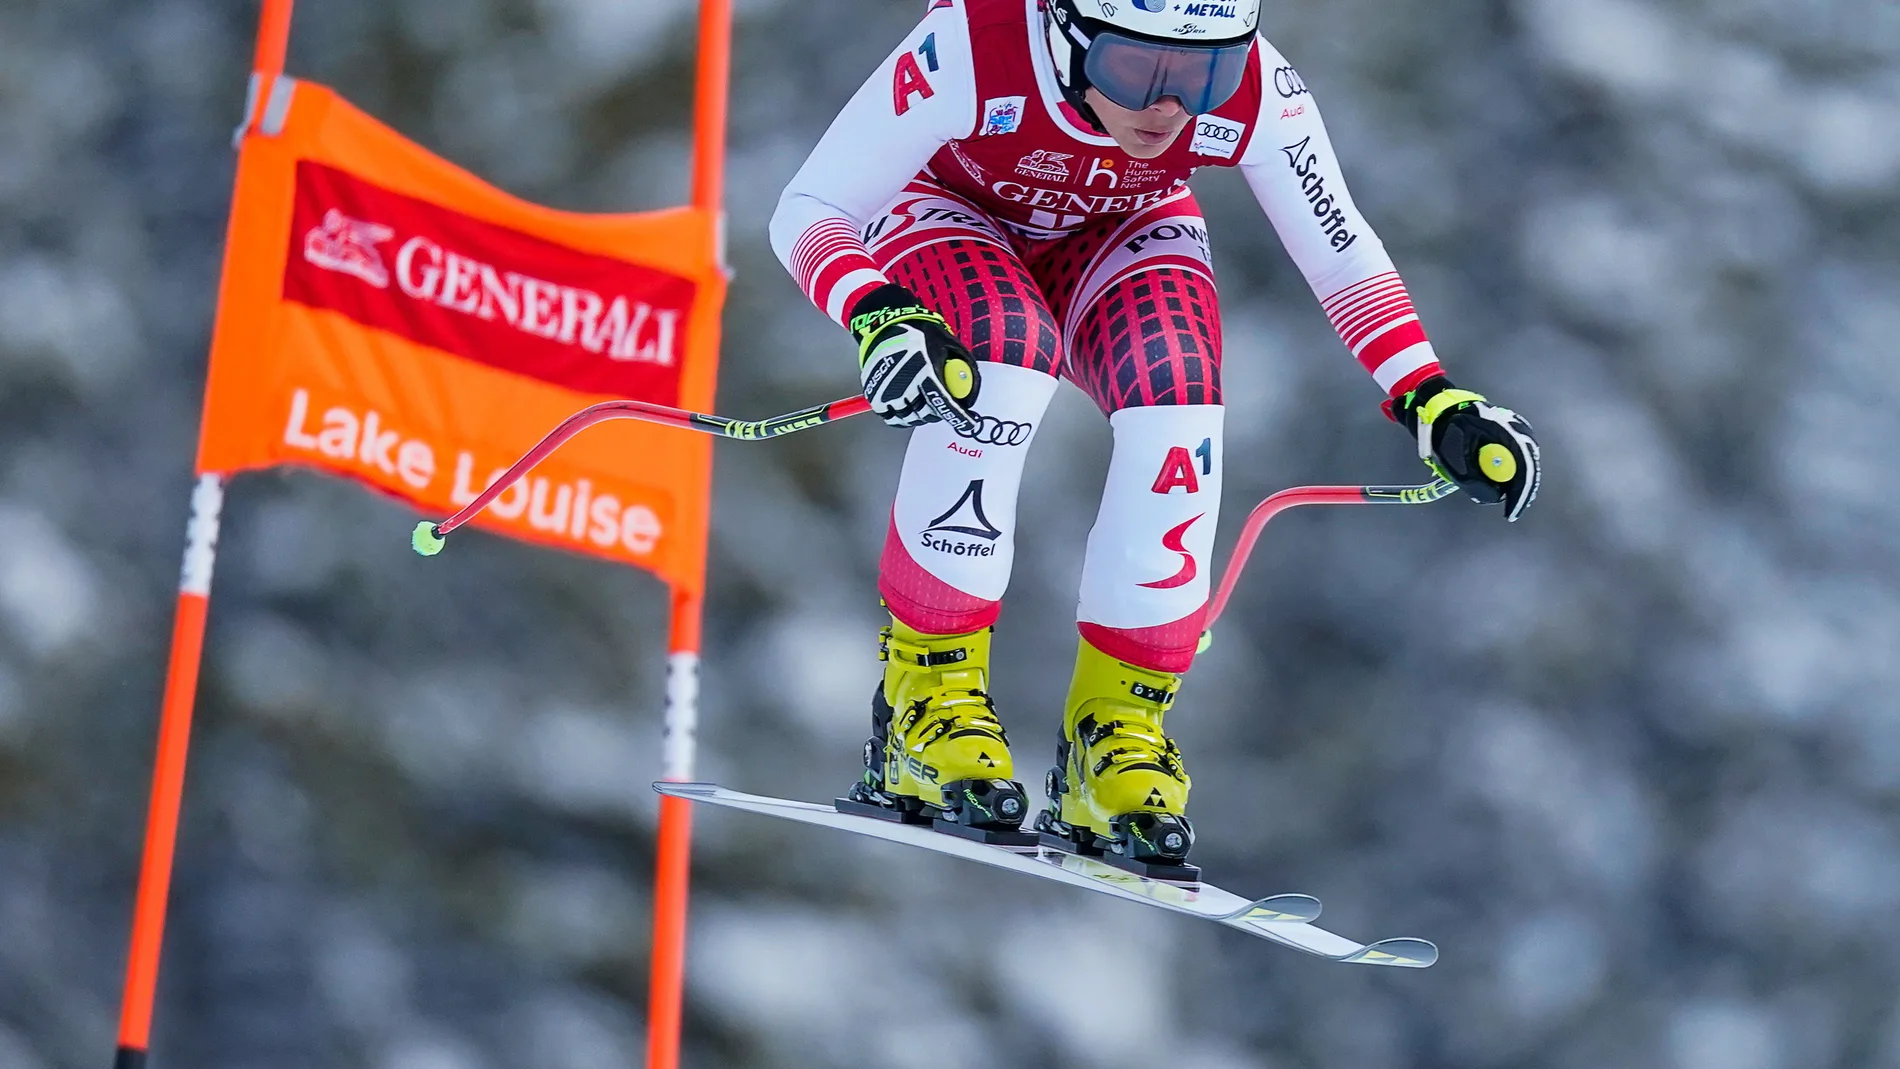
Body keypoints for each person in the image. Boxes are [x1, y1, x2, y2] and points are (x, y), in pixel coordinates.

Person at [768, 0, 1540, 876]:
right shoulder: (978, 45)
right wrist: (877, 312)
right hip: (947, 209)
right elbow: (808, 207)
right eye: (1136, 70)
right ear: (1067, 32)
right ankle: (928, 702)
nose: (1170, 107)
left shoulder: (1257, 90)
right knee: (1003, 359)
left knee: (1181, 391)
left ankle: (1118, 734)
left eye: (1201, 74)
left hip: (1119, 230)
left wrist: (1427, 394)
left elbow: (1338, 247)